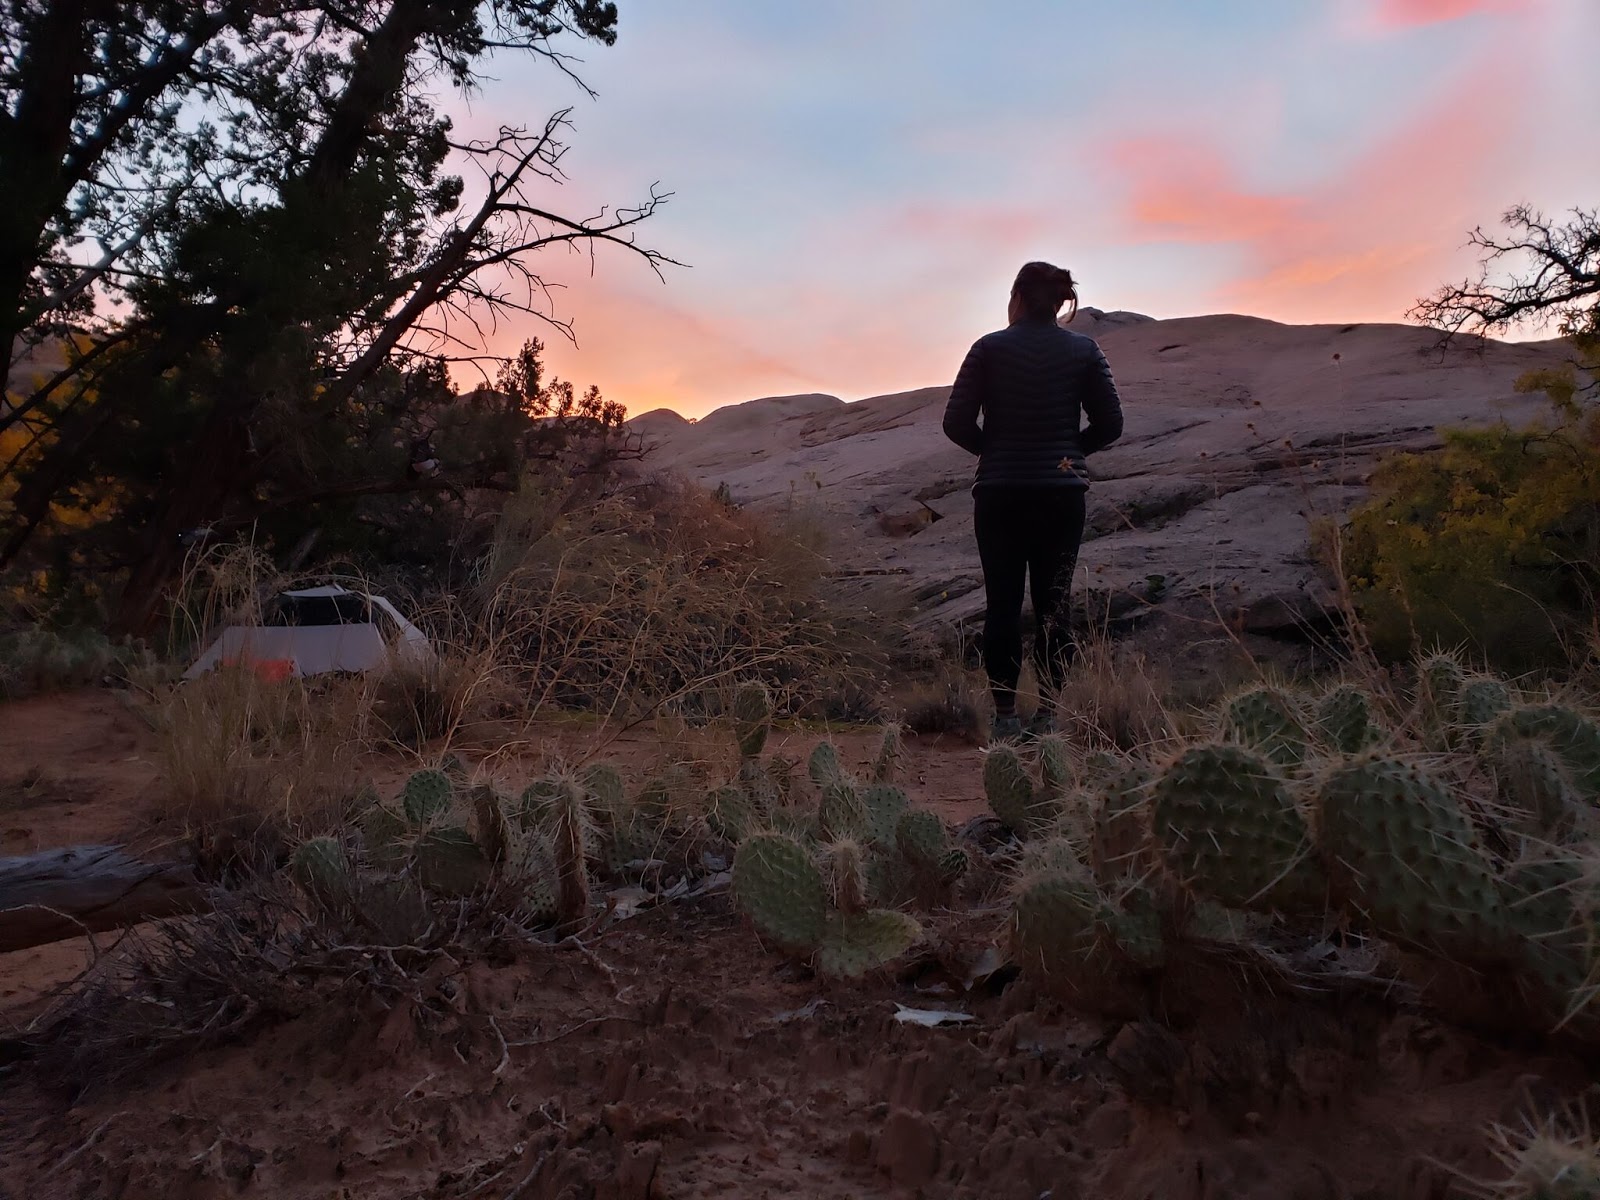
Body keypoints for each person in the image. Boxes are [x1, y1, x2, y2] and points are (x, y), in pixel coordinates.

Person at [941, 261, 1124, 742]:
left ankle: (1005, 719)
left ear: (1017, 297)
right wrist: (1067, 455)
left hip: (999, 494)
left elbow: (955, 423)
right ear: (1062, 303)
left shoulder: (988, 348)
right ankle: (1048, 718)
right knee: (1054, 607)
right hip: (1061, 497)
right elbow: (1111, 424)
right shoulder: (1084, 350)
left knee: (1001, 605)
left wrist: (998, 453)